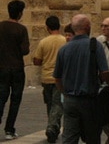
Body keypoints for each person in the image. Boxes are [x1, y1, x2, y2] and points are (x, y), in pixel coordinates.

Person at [54, 14, 109, 144]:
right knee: (92, 137)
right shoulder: (95, 45)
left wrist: (64, 92)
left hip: (70, 100)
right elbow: (104, 72)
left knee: (69, 137)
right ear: (88, 27)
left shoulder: (63, 49)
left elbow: (57, 77)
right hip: (89, 100)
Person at [33, 15, 66, 143]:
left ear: (47, 27)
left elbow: (37, 60)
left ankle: (52, 127)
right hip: (60, 78)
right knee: (58, 104)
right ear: (59, 26)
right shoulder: (64, 41)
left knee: (50, 104)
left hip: (46, 77)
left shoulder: (43, 42)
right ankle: (53, 127)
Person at [0, 0, 29, 141]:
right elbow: (25, 50)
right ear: (19, 13)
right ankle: (9, 129)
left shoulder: (1, 26)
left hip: (2, 68)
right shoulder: (21, 29)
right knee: (15, 100)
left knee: (1, 98)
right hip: (17, 68)